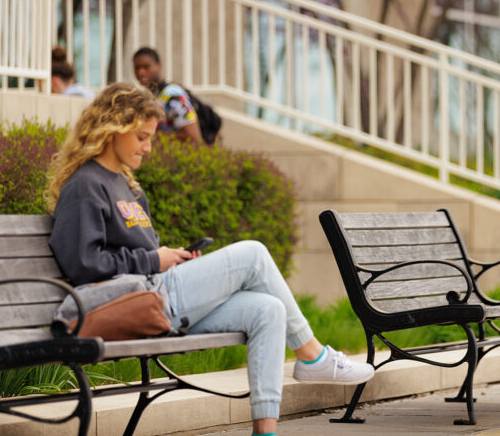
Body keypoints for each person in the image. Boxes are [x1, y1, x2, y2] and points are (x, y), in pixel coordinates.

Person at [44, 83, 374, 436]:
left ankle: (266, 431)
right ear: (113, 127)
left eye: (150, 137)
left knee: (268, 310)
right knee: (254, 253)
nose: (148, 147)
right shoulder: (85, 185)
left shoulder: (128, 186)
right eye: (141, 137)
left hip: (159, 296)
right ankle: (312, 356)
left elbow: (140, 255)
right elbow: (82, 264)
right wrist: (155, 261)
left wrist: (174, 260)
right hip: (135, 301)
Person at [132, 46, 203, 144]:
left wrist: (153, 137)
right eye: (137, 68)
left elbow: (193, 136)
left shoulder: (173, 94)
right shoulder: (153, 95)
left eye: (146, 67)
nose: (141, 72)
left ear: (159, 66)